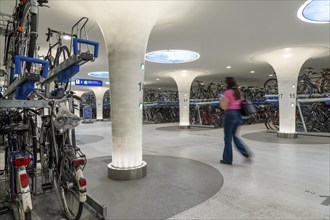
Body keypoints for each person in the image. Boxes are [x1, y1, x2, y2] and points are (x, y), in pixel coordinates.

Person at [219, 77, 250, 165]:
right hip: (238, 115)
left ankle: (227, 159)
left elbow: (224, 107)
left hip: (230, 115)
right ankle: (245, 153)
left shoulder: (227, 92)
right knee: (234, 136)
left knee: (228, 138)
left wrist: (221, 99)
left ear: (227, 84)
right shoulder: (239, 93)